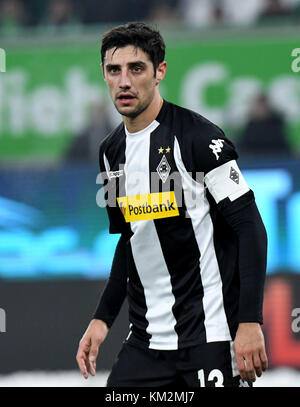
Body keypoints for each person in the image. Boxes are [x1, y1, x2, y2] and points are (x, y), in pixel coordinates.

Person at [76, 22, 268, 387]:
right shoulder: (111, 151)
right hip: (146, 345)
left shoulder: (200, 138)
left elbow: (250, 228)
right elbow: (130, 240)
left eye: (137, 69)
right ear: (103, 74)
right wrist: (102, 319)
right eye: (114, 70)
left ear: (159, 71)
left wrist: (249, 321)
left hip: (210, 337)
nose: (124, 82)